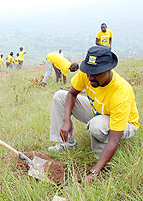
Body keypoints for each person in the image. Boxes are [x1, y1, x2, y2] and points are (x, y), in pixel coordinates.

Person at [48, 46, 139, 182]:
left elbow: (114, 139)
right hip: (98, 112)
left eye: (96, 73)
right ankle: (67, 144)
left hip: (125, 124)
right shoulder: (87, 74)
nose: (90, 77)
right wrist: (66, 120)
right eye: (89, 72)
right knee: (60, 96)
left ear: (108, 70)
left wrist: (94, 172)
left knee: (96, 125)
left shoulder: (121, 92)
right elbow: (72, 93)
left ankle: (101, 161)